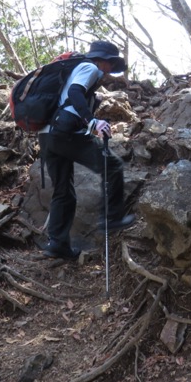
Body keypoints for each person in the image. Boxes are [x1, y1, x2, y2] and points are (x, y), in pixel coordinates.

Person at [38, 40, 136, 260]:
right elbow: (75, 93)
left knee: (63, 192)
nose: (110, 70)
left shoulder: (76, 71)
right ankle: (112, 217)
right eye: (111, 64)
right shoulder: (90, 68)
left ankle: (58, 244)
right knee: (112, 165)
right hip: (63, 133)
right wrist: (93, 122)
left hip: (47, 137)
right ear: (104, 61)